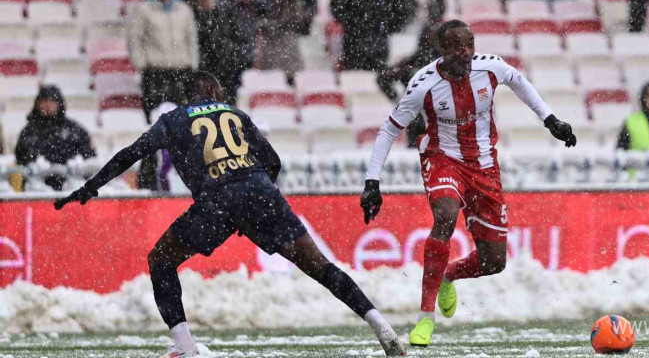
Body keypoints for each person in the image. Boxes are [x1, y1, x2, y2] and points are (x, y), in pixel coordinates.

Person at [54, 71, 407, 358]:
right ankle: (382, 328)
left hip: (217, 201)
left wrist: (92, 185)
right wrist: (254, 206)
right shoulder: (235, 114)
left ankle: (185, 347)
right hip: (261, 194)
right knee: (320, 267)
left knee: (160, 259)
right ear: (211, 90)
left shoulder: (173, 120)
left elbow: (130, 153)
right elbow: (273, 162)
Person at [359, 20, 578, 347]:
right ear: (442, 50)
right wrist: (372, 181)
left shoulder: (490, 68)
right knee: (445, 216)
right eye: (457, 47)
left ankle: (450, 275)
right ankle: (425, 319)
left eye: (469, 45)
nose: (465, 53)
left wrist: (551, 120)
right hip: (442, 157)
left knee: (494, 261)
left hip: (484, 166)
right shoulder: (424, 83)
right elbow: (390, 129)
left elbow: (520, 82)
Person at [128, 0, 199, 117]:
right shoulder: (144, 10)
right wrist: (142, 64)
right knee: (155, 115)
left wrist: (192, 64)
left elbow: (191, 39)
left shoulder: (183, 9)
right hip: (155, 71)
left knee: (182, 116)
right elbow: (135, 39)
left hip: (181, 69)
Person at [15, 86, 96, 191]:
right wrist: (33, 161)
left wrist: (79, 161)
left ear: (59, 104)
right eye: (44, 101)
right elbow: (21, 154)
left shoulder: (73, 129)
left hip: (70, 187)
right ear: (37, 104)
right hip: (37, 188)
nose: (48, 106)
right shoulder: (29, 131)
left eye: (52, 102)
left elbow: (89, 152)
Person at [190, 0, 247, 106]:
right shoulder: (192, 13)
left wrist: (232, 58)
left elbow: (237, 37)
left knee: (228, 110)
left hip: (227, 68)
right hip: (204, 70)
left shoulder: (226, 10)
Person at [257, 0, 310, 82]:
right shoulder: (266, 5)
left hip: (290, 59)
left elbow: (302, 26)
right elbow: (262, 25)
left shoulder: (296, 4)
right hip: (271, 59)